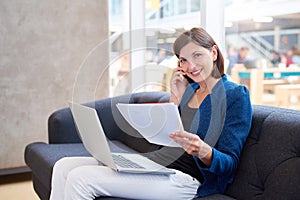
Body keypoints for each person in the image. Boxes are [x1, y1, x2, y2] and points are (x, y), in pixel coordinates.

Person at [50, 27, 252, 200]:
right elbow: (169, 140)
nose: (190, 67)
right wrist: (175, 99)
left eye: (197, 55)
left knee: (81, 178)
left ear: (214, 53)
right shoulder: (189, 90)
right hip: (157, 164)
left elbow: (230, 164)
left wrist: (203, 150)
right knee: (63, 166)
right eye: (183, 60)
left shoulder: (235, 95)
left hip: (186, 179)